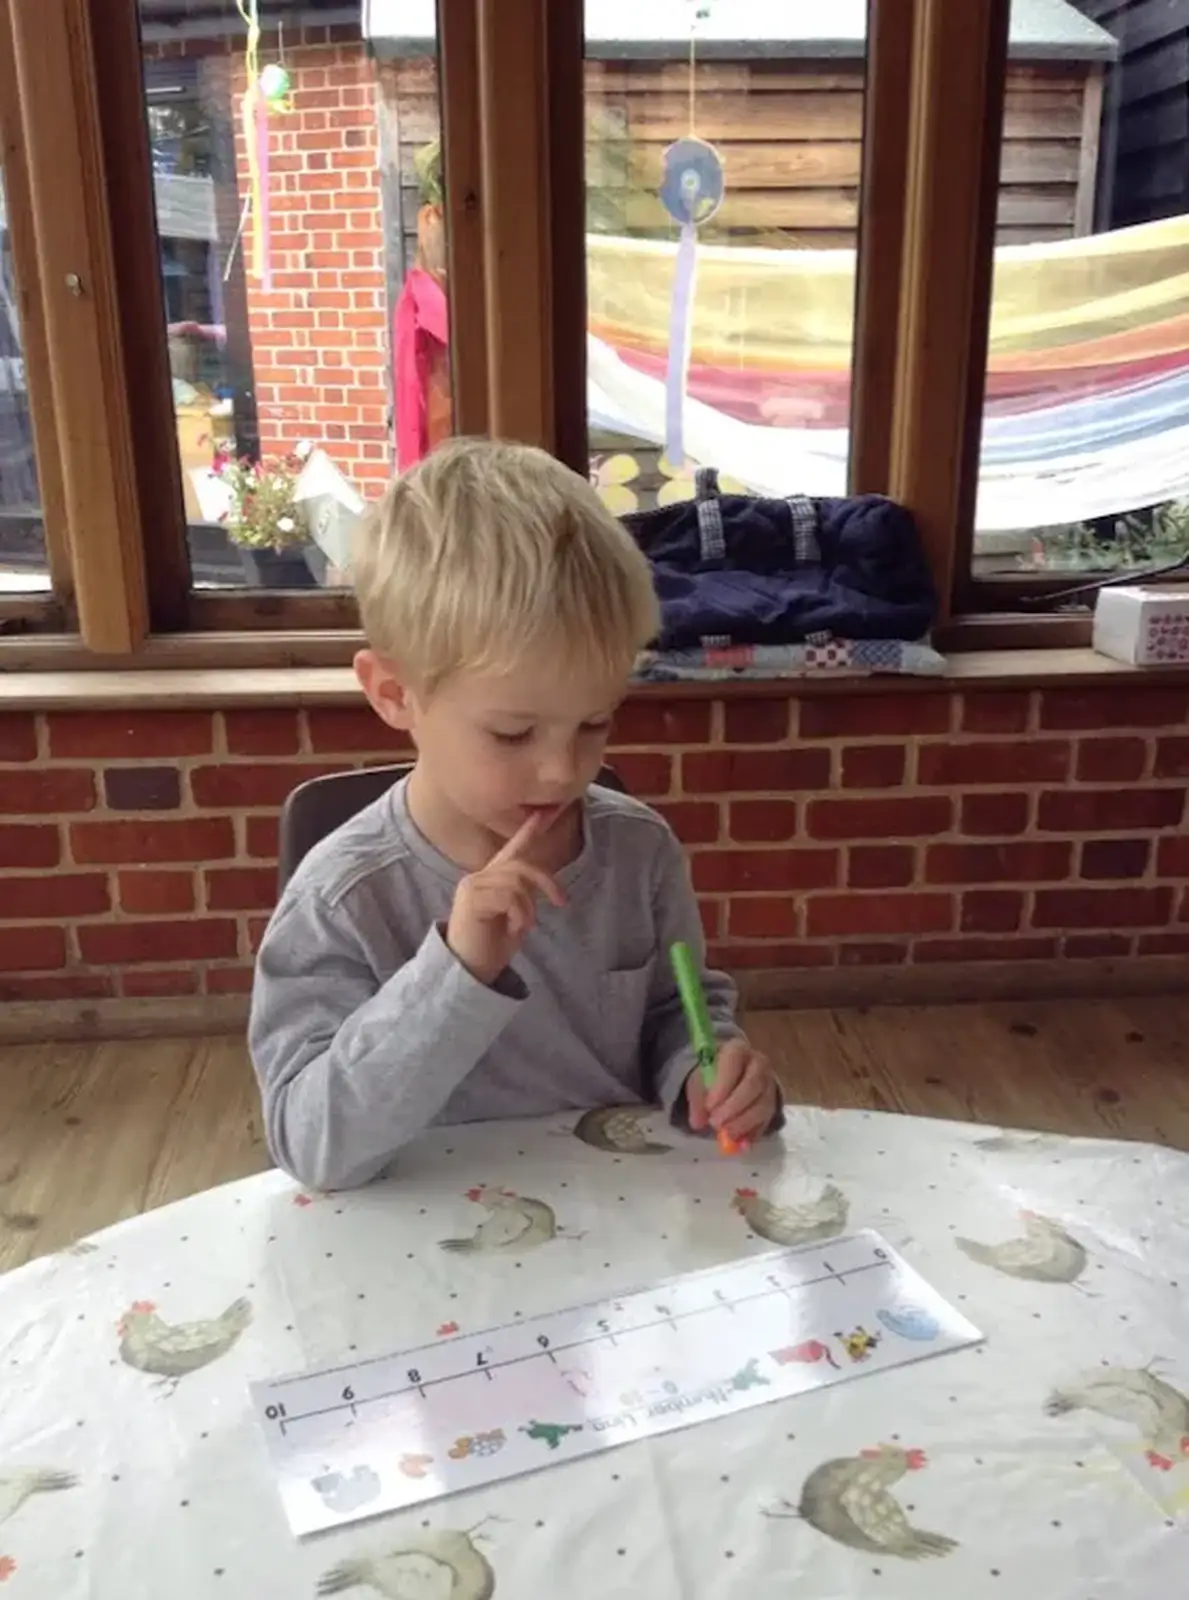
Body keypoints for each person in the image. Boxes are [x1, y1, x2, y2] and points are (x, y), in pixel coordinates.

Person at [249, 438, 780, 1190]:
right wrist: (455, 973)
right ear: (394, 694)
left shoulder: (638, 852)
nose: (563, 770)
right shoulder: (343, 897)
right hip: (424, 1253)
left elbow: (679, 1009)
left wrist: (708, 1068)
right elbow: (312, 1147)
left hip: (620, 1219)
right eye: (511, 733)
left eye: (594, 724)